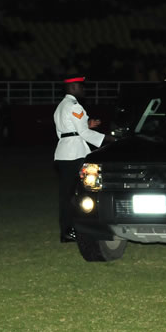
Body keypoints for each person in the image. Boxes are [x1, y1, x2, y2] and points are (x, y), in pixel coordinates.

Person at [53, 76, 105, 243]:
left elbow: (68, 130)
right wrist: (108, 140)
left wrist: (86, 126)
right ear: (74, 87)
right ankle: (75, 229)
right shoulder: (75, 106)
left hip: (63, 153)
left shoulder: (61, 106)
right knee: (84, 192)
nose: (84, 90)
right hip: (75, 154)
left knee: (67, 195)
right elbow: (84, 133)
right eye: (81, 87)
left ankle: (68, 231)